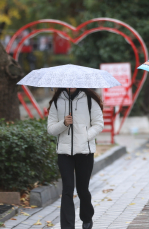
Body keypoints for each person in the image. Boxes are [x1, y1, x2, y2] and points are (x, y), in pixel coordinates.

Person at [47, 88, 104, 229]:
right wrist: (64, 123)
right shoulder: (57, 101)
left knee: (82, 189)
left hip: (85, 152)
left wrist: (85, 136)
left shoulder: (90, 100)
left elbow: (99, 123)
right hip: (64, 154)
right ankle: (67, 226)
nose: (70, 85)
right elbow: (51, 129)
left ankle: (87, 217)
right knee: (67, 189)